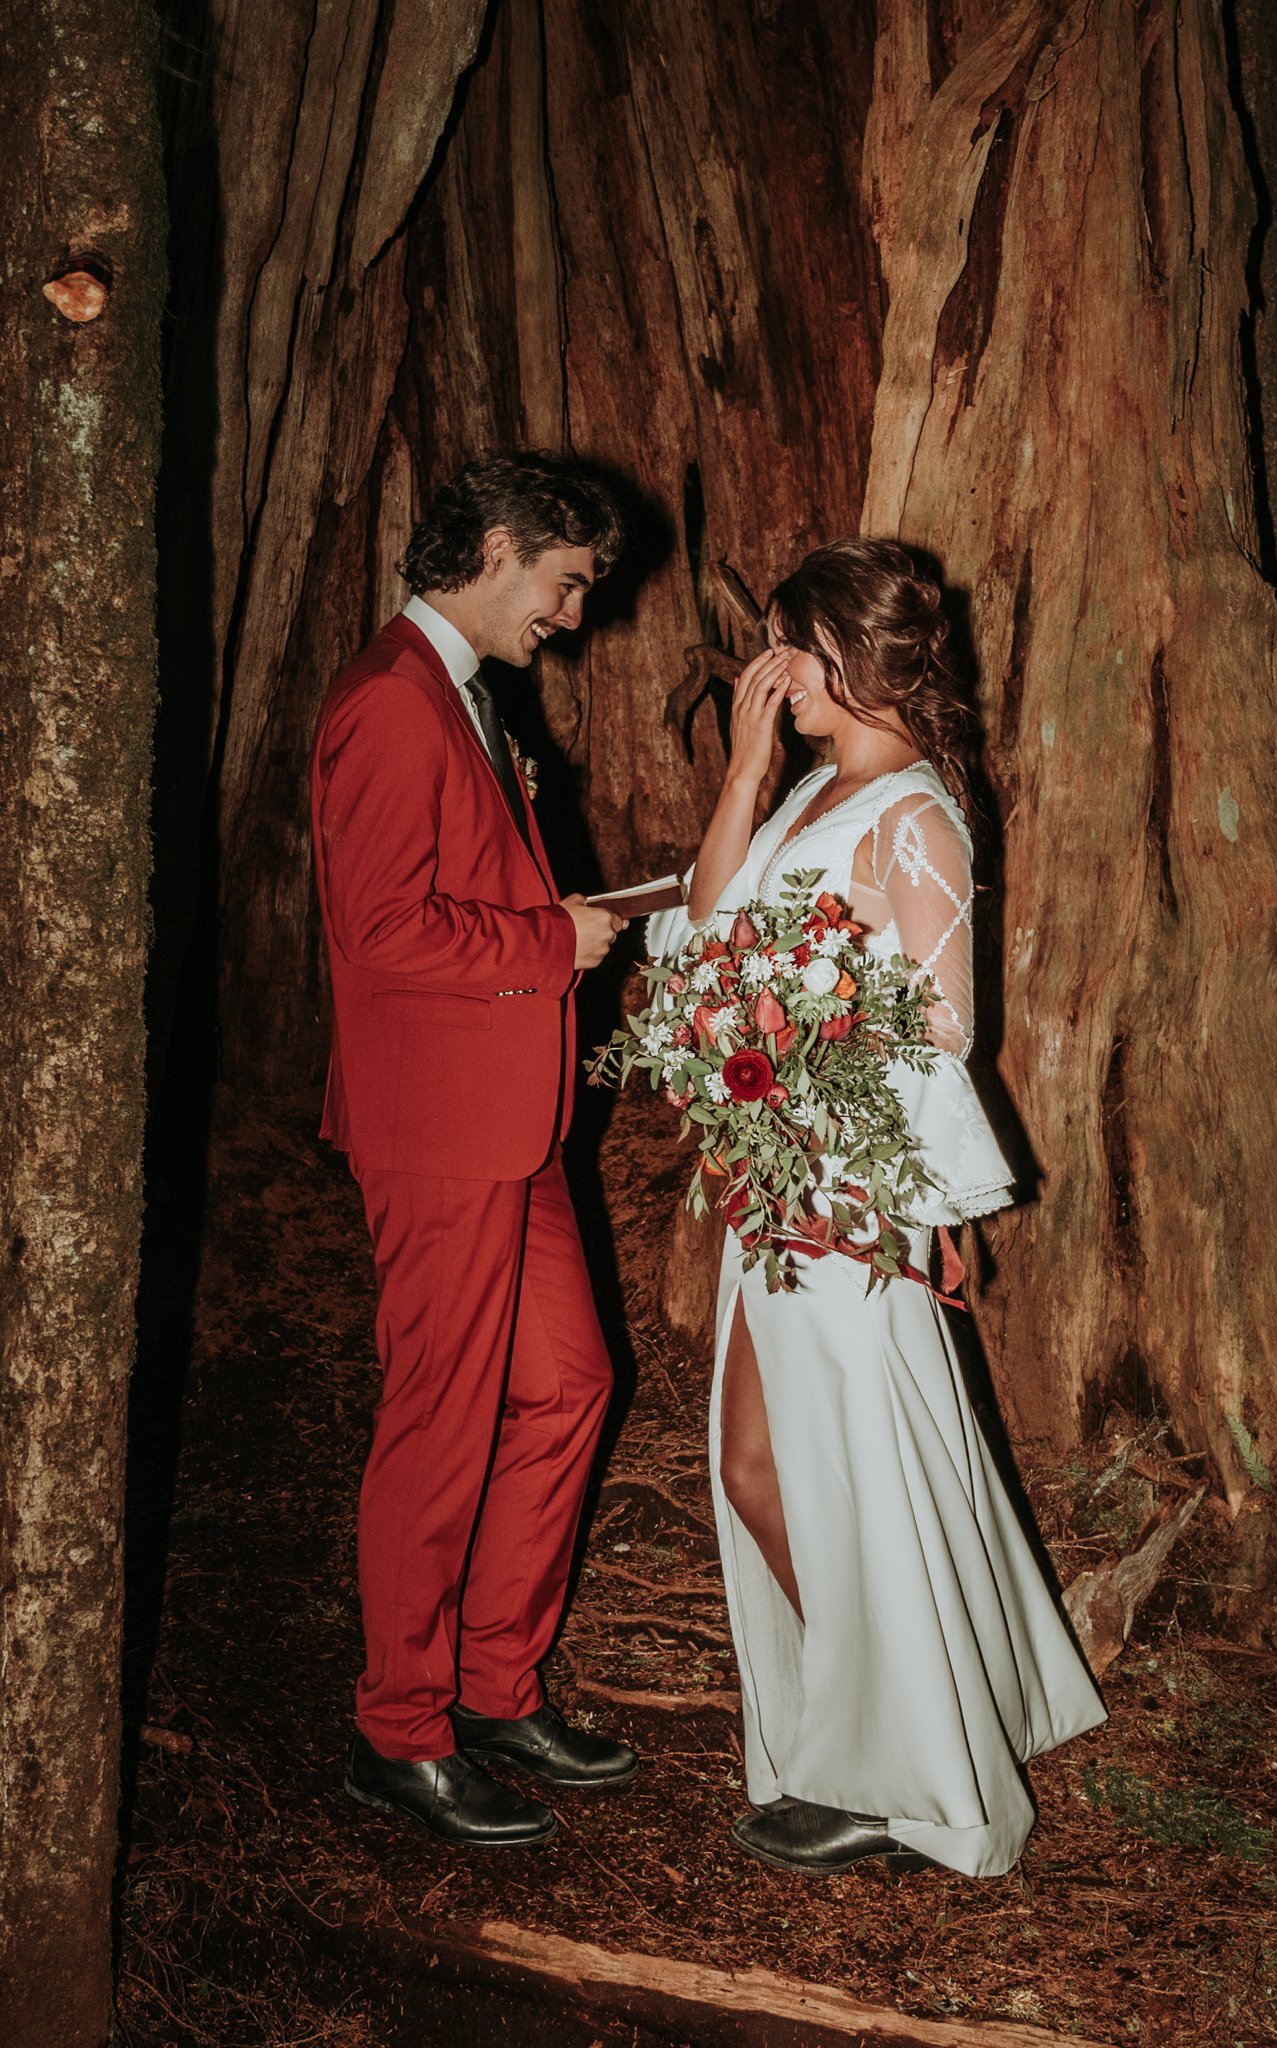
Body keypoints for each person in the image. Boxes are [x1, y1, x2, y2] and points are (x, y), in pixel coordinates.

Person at [648, 537, 1105, 1878]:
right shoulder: (809, 791)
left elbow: (944, 1027)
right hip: (771, 1178)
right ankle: (890, 1733)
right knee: (754, 1470)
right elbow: (709, 925)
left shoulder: (915, 815)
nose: (770, 673)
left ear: (849, 654)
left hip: (841, 1192)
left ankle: (916, 1781)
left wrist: (821, 1098)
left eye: (788, 649)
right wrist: (743, 775)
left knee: (844, 1473)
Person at [310, 453, 637, 1850]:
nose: (571, 615)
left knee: (569, 1388)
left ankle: (495, 1685)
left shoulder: (462, 692)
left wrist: (552, 918)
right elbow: (380, 929)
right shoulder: (392, 697)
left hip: (515, 1121)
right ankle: (399, 1730)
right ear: (497, 549)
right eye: (565, 583)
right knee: (441, 1420)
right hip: (441, 1126)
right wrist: (550, 942)